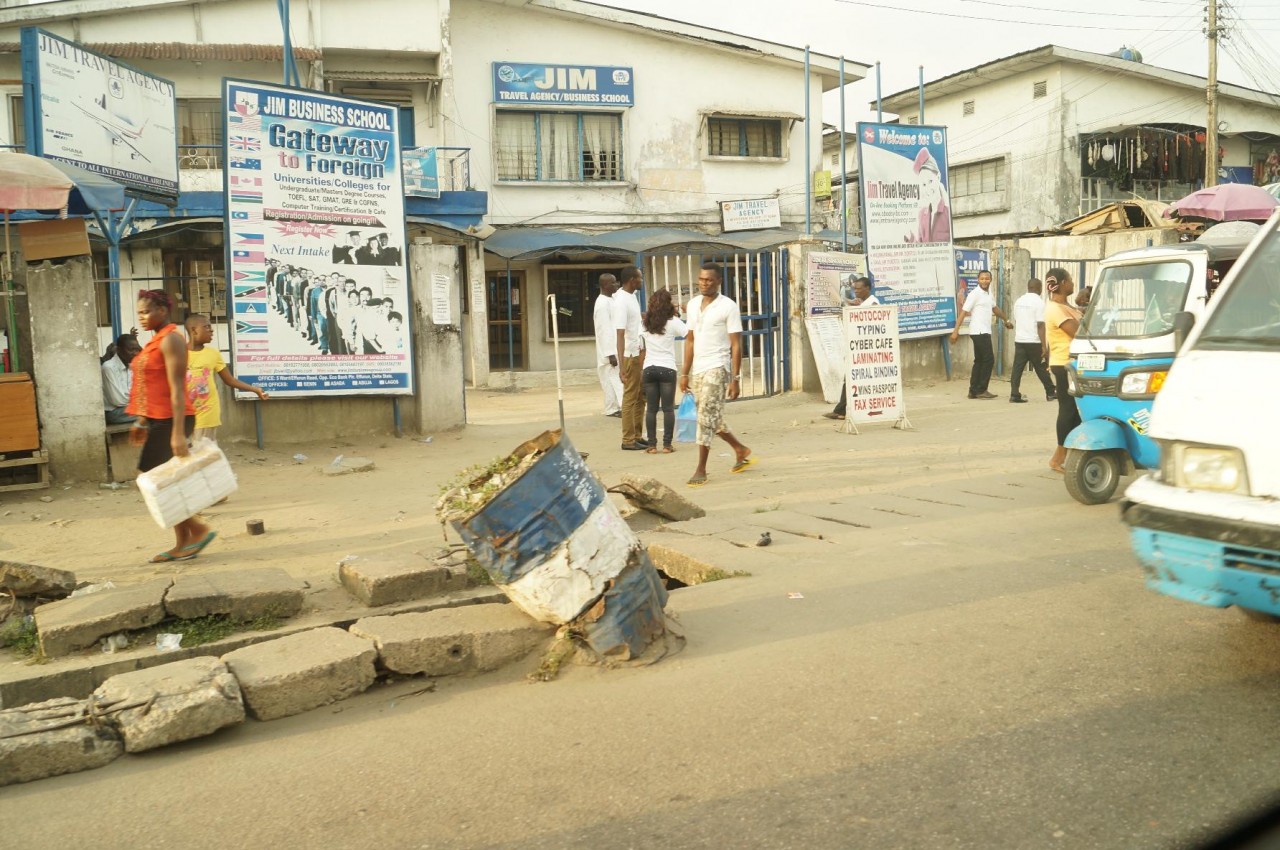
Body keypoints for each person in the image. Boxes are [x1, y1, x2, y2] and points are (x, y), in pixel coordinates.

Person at [126, 290, 216, 564]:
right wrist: (142, 419)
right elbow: (151, 385)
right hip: (157, 418)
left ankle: (198, 530)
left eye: (147, 312)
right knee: (164, 479)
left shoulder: (171, 341)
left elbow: (178, 390)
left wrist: (177, 433)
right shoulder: (155, 342)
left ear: (163, 311)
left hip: (172, 419)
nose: (141, 317)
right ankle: (183, 542)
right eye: (139, 312)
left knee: (157, 480)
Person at [679, 263, 753, 486]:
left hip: (718, 367)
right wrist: (684, 373)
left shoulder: (728, 307)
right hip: (699, 368)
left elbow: (736, 345)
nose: (704, 283)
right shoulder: (692, 305)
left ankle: (701, 468)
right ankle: (740, 449)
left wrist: (735, 378)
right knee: (711, 416)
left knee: (704, 418)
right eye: (701, 279)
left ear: (719, 281)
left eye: (709, 280)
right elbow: (690, 340)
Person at [185, 313, 268, 445]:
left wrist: (255, 389)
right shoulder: (178, 353)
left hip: (207, 413)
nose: (211, 330)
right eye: (206, 327)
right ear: (194, 330)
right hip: (185, 413)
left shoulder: (213, 354)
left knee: (203, 454)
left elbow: (229, 380)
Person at [950, 270, 1012, 400]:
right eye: (982, 279)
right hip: (979, 331)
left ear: (990, 280)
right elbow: (963, 312)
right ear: (978, 280)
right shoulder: (975, 294)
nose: (984, 281)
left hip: (983, 331)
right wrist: (956, 331)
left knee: (979, 361)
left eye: (987, 278)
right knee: (988, 360)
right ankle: (981, 389)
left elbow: (995, 309)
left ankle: (973, 391)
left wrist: (1006, 320)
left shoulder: (988, 294)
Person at [639, 288, 687, 454]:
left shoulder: (645, 322)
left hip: (649, 368)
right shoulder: (673, 321)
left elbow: (640, 345)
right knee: (667, 409)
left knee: (651, 409)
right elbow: (689, 334)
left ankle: (652, 445)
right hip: (667, 368)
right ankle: (667, 445)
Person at [1044, 268, 1083, 473]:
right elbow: (1077, 332)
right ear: (1061, 283)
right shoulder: (1055, 309)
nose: (1072, 283)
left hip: (1076, 364)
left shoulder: (1067, 306)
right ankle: (1057, 458)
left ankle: (1071, 453)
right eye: (1069, 280)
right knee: (1067, 410)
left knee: (1078, 412)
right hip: (1064, 364)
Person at [825, 276, 878, 420]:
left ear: (867, 288)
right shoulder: (864, 303)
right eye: (855, 288)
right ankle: (843, 410)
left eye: (859, 288)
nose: (856, 291)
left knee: (853, 379)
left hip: (866, 351)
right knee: (852, 379)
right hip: (859, 349)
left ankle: (842, 411)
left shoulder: (872, 304)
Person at [1009, 278, 1057, 403]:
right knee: (1041, 367)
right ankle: (1050, 392)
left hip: (1020, 340)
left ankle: (1014, 394)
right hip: (1034, 341)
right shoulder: (1039, 303)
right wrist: (1044, 346)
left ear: (1028, 287)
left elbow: (1016, 319)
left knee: (1017, 368)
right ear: (1039, 288)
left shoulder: (1019, 301)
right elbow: (1040, 325)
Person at [614, 266, 646, 450]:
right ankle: (627, 440)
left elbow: (635, 323)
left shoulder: (632, 297)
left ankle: (637, 435)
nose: (642, 281)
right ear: (632, 280)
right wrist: (621, 367)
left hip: (638, 351)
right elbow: (620, 334)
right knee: (630, 397)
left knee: (640, 396)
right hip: (629, 355)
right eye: (640, 278)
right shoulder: (621, 301)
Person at [593, 273, 623, 418]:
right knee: (614, 380)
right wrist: (610, 353)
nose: (616, 285)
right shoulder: (602, 304)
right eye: (613, 283)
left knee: (610, 380)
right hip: (609, 351)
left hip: (614, 348)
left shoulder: (610, 299)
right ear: (605, 285)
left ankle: (612, 408)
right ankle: (620, 407)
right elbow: (603, 330)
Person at [908, 148, 951, 244]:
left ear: (938, 177)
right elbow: (921, 249)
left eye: (930, 181)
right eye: (923, 185)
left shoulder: (948, 212)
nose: (927, 189)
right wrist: (911, 239)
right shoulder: (922, 215)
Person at [102, 333, 141, 424]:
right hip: (114, 413)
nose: (135, 353)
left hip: (130, 408)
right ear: (118, 350)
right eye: (131, 350)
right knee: (153, 411)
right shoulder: (108, 367)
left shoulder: (131, 366)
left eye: (137, 349)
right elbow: (118, 400)